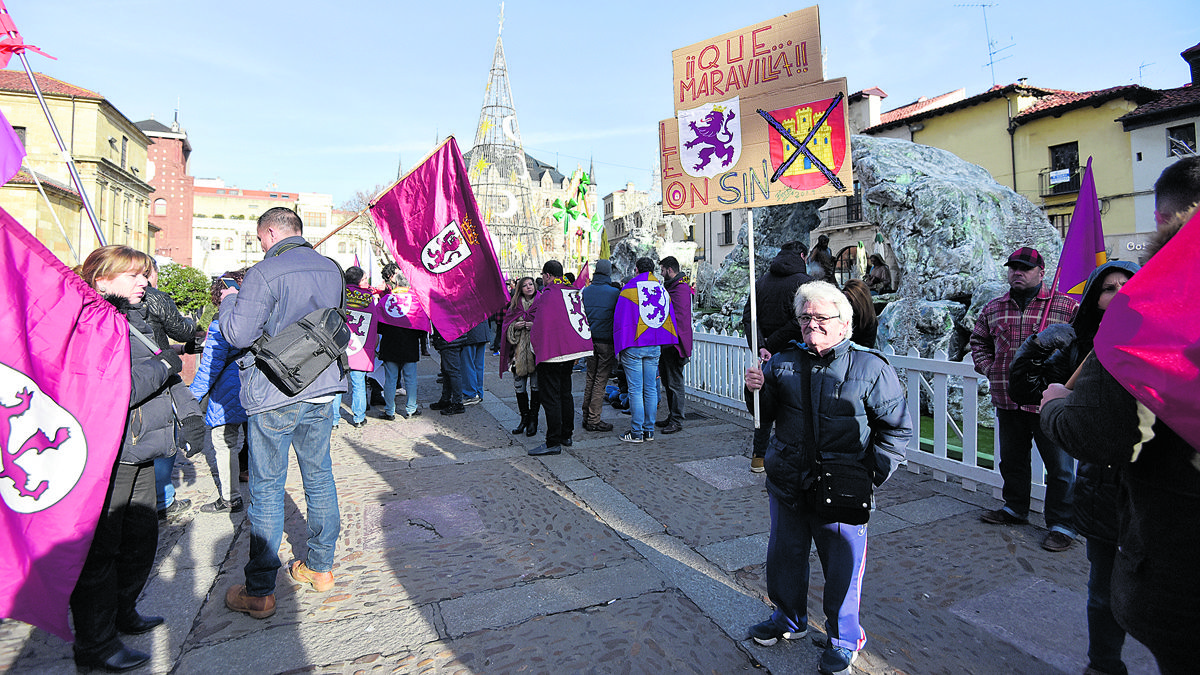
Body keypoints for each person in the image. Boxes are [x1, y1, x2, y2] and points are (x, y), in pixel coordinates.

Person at [1040, 156, 1200, 675]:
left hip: (1177, 551)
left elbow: (1098, 431)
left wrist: (1056, 407)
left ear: (1162, 219)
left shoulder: (1155, 308)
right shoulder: (1092, 332)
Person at [743, 280, 910, 675]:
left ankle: (845, 637)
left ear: (843, 323)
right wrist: (754, 390)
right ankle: (788, 618)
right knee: (784, 556)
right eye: (804, 317)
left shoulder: (871, 367)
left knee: (843, 567)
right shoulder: (782, 361)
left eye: (820, 317)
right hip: (788, 480)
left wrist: (870, 477)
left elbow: (896, 431)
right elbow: (762, 416)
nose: (811, 324)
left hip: (842, 489)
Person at [1009, 259, 1138, 675]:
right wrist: (1034, 349)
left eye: (1127, 287)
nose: (1117, 295)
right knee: (1102, 590)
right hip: (1102, 486)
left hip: (1151, 489)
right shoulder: (1080, 348)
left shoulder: (1158, 345)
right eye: (1108, 288)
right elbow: (1028, 389)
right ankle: (1103, 663)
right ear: (1095, 297)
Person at [218, 207, 345, 619]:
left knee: (268, 488)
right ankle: (321, 568)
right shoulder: (332, 269)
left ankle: (259, 591)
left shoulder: (263, 273)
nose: (261, 246)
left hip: (274, 391)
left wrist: (228, 302)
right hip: (322, 386)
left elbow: (238, 333)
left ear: (270, 232)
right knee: (320, 475)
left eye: (260, 239)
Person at [70, 245, 180, 672]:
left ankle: (123, 610)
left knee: (140, 538)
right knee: (102, 549)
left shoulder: (131, 316)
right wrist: (164, 365)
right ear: (101, 279)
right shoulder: (90, 323)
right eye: (133, 275)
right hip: (111, 451)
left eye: (144, 274)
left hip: (142, 446)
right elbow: (116, 390)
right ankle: (95, 643)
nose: (144, 282)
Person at [969, 246, 1079, 552]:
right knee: (1012, 460)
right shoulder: (994, 308)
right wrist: (989, 368)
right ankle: (1014, 508)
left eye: (1025, 269)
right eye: (1013, 267)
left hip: (1049, 401)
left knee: (1060, 467)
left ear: (1041, 273)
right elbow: (978, 340)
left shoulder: (1065, 308)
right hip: (1008, 397)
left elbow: (1080, 349)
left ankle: (1062, 524)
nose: (1017, 272)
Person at [133, 262, 202, 521]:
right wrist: (188, 320)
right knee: (162, 433)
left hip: (141, 370)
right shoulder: (155, 297)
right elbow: (184, 331)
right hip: (158, 371)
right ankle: (162, 500)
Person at [742, 241, 814, 472]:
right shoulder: (806, 284)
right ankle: (794, 456)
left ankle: (758, 456)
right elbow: (800, 322)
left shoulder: (761, 282)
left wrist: (761, 346)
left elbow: (748, 318)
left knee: (764, 405)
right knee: (796, 406)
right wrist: (771, 344)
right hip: (795, 353)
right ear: (803, 256)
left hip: (766, 357)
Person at [188, 270, 250, 514]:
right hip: (258, 387)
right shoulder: (260, 317)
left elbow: (209, 368)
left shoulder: (219, 323)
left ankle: (230, 497)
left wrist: (191, 398)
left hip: (229, 391)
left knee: (225, 443)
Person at [528, 260, 593, 455]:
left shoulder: (548, 295)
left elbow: (540, 326)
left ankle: (552, 441)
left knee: (551, 397)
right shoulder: (571, 291)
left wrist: (535, 346)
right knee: (566, 393)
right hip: (570, 351)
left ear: (547, 275)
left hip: (552, 353)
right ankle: (567, 434)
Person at [613, 257, 676, 444]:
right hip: (654, 345)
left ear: (636, 269)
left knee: (635, 390)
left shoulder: (629, 289)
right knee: (650, 389)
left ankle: (636, 431)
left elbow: (620, 319)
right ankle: (649, 431)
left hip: (633, 345)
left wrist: (619, 347)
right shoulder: (661, 289)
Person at [375, 263, 423, 420]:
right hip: (409, 346)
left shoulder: (386, 300)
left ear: (396, 284)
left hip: (390, 345)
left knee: (390, 379)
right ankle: (411, 409)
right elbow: (422, 327)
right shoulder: (416, 301)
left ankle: (389, 411)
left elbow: (378, 325)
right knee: (410, 379)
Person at [656, 256, 694, 435]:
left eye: (662, 270)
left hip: (674, 342)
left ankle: (677, 420)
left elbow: (677, 317)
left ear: (670, 270)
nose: (661, 274)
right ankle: (672, 416)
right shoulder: (673, 287)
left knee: (675, 383)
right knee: (667, 381)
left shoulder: (680, 289)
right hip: (667, 341)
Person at [581, 260, 619, 432]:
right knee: (600, 380)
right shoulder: (614, 293)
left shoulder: (586, 291)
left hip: (589, 341)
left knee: (590, 377)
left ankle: (585, 415)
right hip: (606, 341)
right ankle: (594, 419)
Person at [501, 276, 540, 435]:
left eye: (531, 284)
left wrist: (534, 325)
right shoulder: (514, 305)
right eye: (525, 285)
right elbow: (505, 326)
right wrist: (514, 326)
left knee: (536, 387)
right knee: (519, 388)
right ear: (520, 289)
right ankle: (524, 419)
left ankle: (533, 421)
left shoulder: (541, 302)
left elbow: (549, 325)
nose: (529, 287)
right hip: (517, 354)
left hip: (536, 353)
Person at [339, 266, 374, 428]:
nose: (367, 282)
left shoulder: (339, 295)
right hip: (360, 345)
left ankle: (333, 421)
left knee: (337, 383)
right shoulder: (368, 297)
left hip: (340, 346)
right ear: (359, 281)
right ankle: (359, 418)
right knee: (359, 383)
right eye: (365, 279)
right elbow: (374, 322)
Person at [842, 279, 878, 349]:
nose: (847, 304)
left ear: (860, 301)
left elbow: (866, 347)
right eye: (845, 300)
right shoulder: (840, 315)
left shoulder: (869, 321)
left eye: (850, 300)